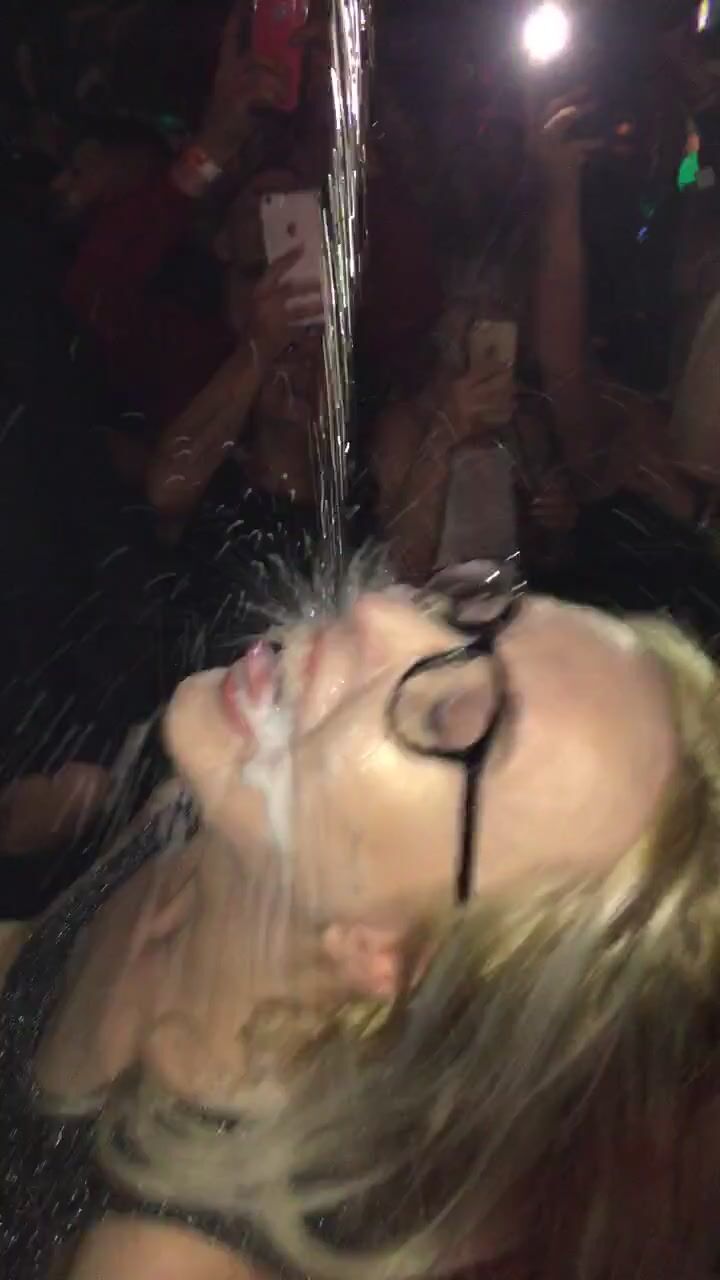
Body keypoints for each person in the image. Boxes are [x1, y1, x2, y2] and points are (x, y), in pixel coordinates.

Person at [2, 574, 720, 1280]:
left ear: (395, 952)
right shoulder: (214, 823)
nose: (376, 611)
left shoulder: (158, 1258)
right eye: (465, 612)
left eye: (447, 719)